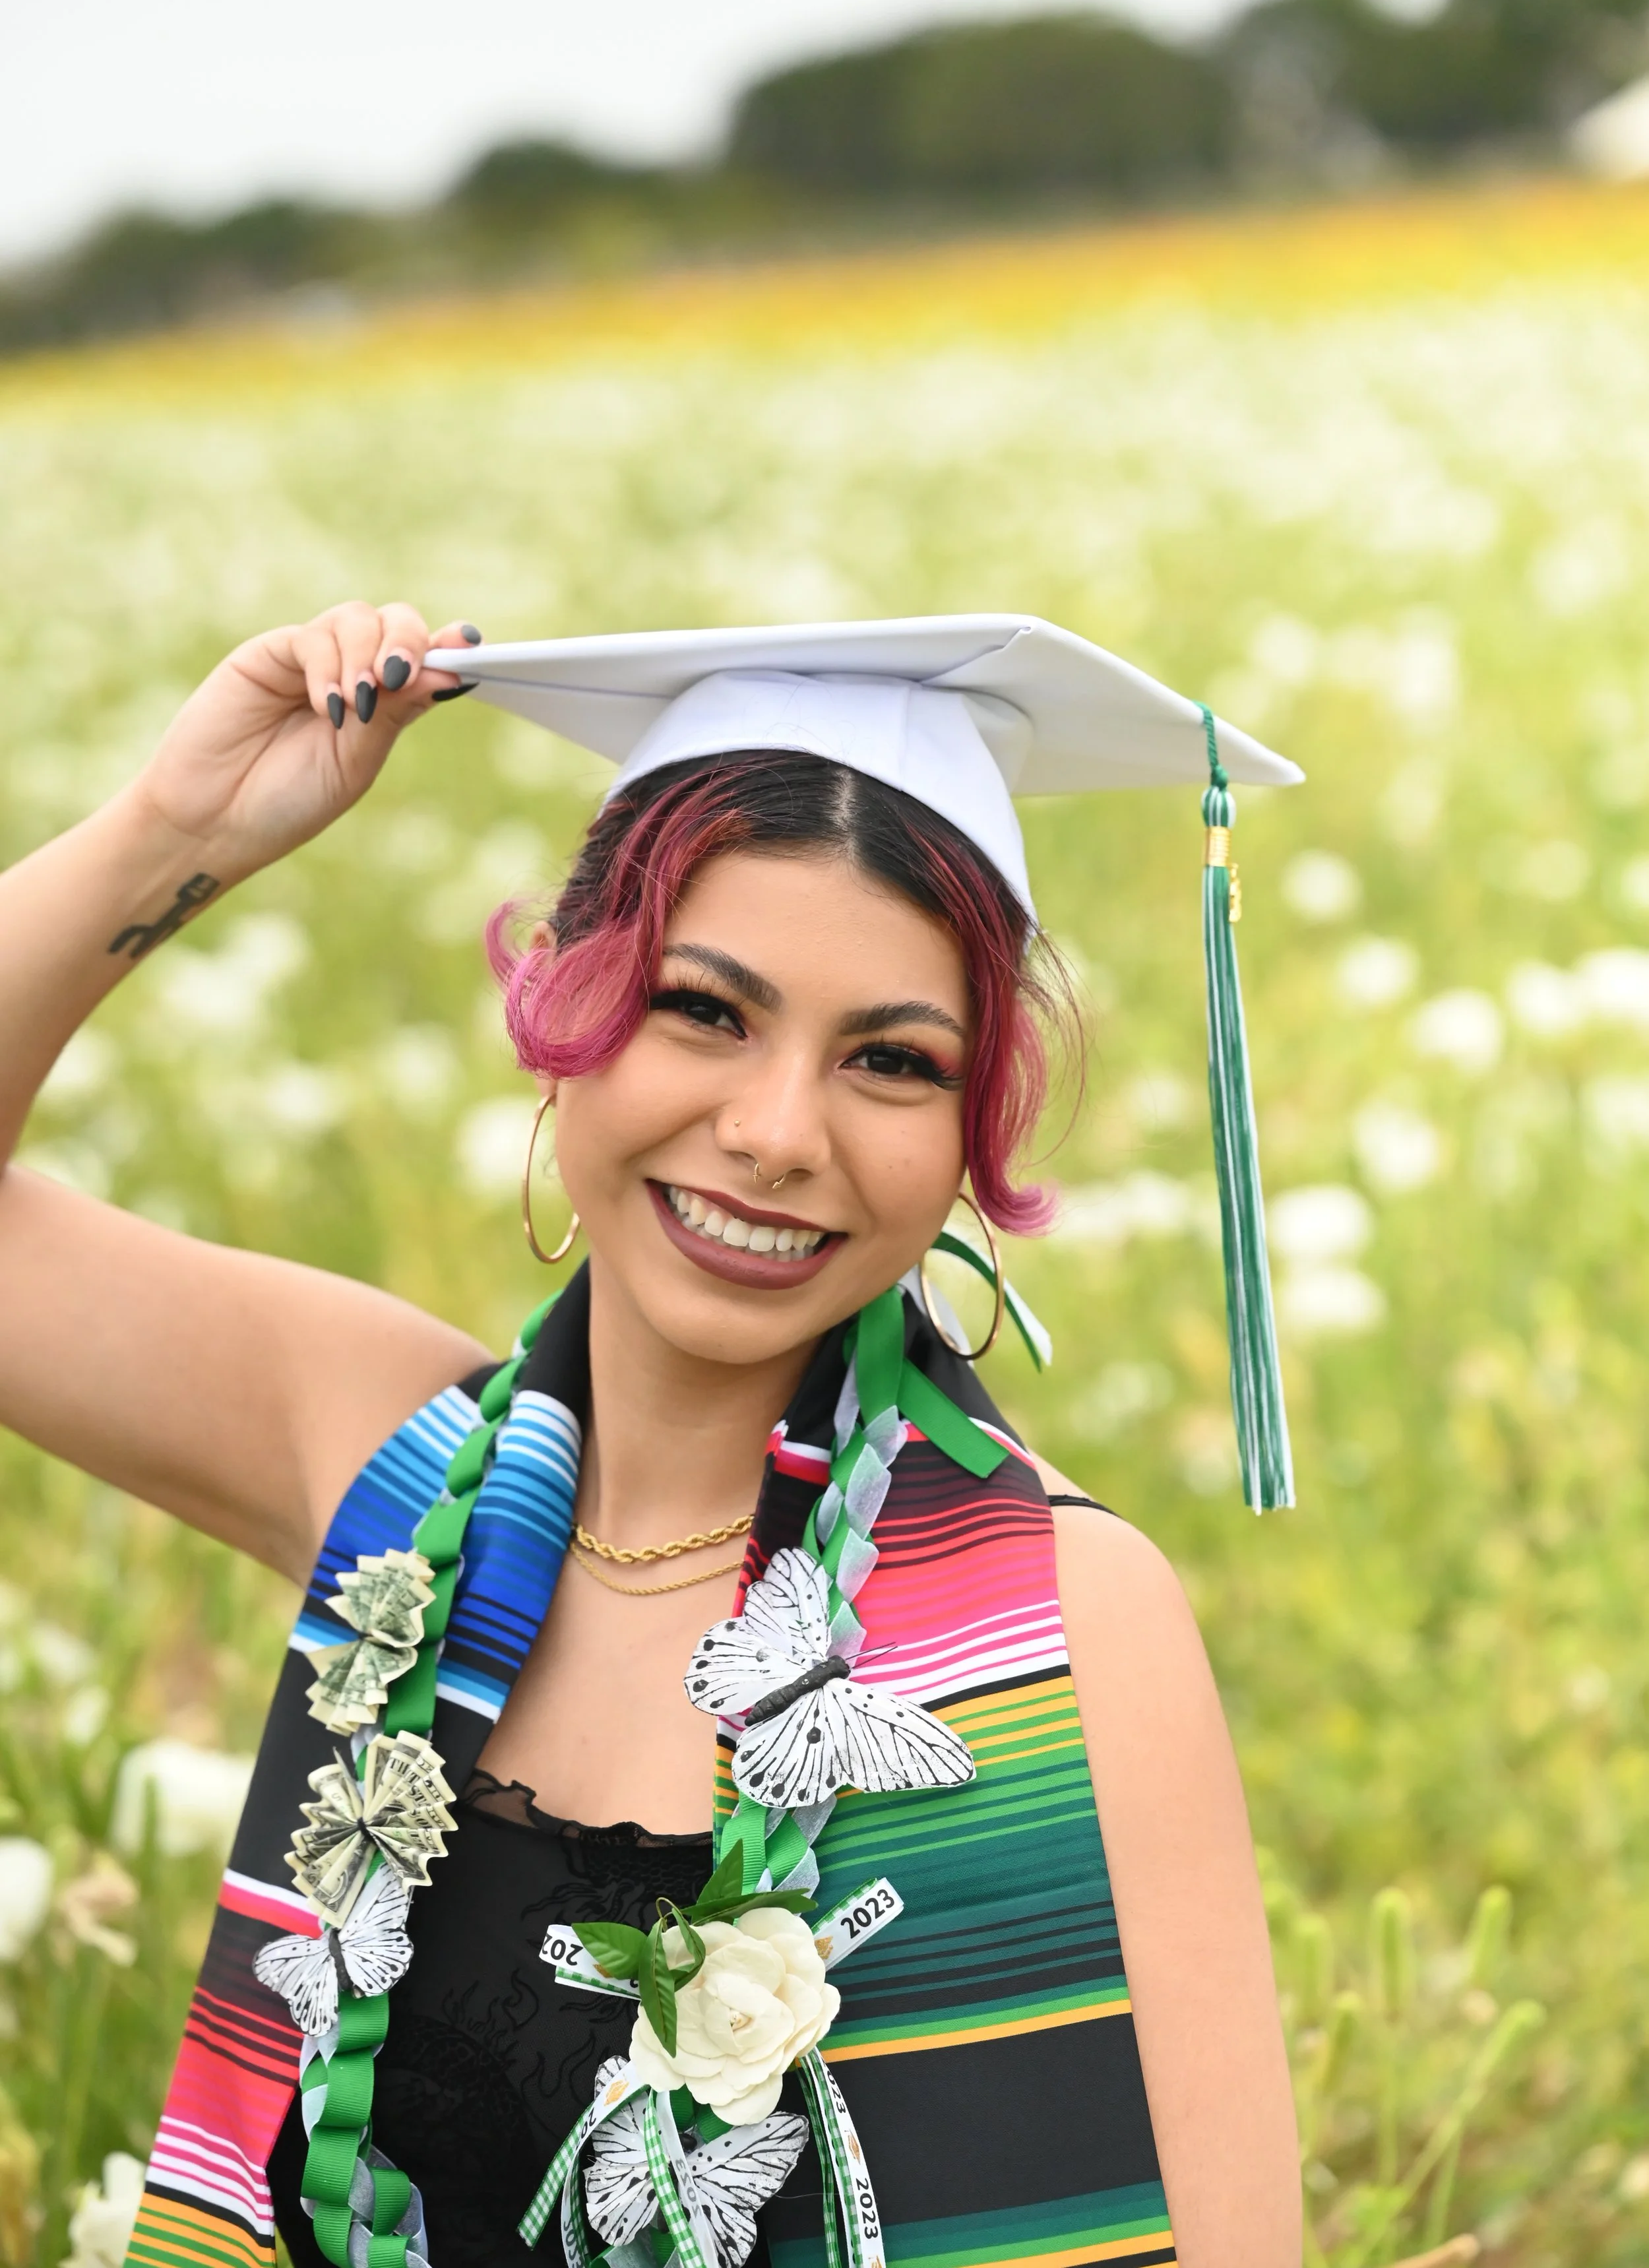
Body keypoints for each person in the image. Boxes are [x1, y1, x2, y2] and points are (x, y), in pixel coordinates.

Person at [0, 600, 1303, 2268]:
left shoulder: (1060, 1626)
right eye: (703, 1010)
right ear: (566, 1008)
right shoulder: (385, 1459)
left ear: (966, 1138)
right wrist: (171, 835)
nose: (773, 1134)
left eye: (890, 1063)